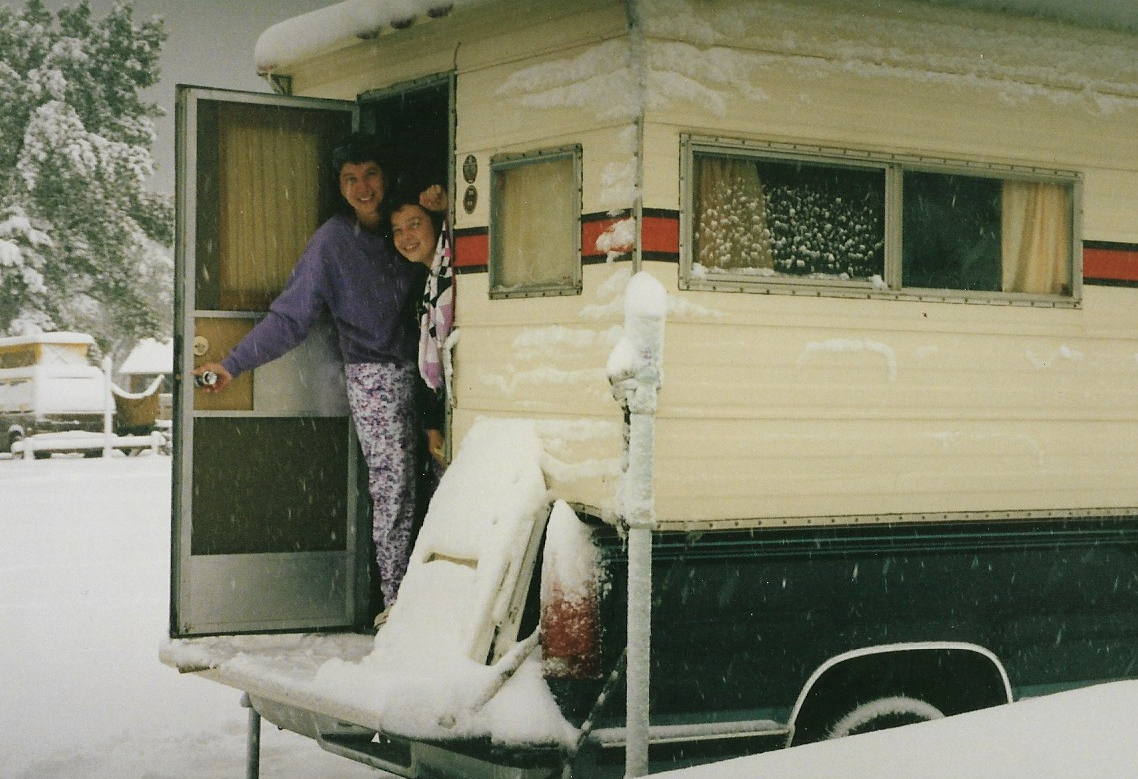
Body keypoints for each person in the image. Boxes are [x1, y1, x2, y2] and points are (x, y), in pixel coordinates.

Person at [193, 133, 427, 627]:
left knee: (440, 480)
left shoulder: (412, 224)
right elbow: (290, 318)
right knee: (395, 491)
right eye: (350, 179)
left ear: (386, 177)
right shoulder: (333, 242)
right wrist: (233, 363)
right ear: (340, 188)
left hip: (435, 370)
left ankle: (437, 596)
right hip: (377, 377)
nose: (362, 188)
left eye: (370, 175)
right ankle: (399, 603)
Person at [389, 184, 454, 471]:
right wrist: (431, 428)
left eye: (414, 225)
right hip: (446, 409)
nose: (405, 238)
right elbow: (424, 366)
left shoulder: (455, 270)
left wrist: (446, 205)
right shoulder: (421, 290)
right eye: (397, 230)